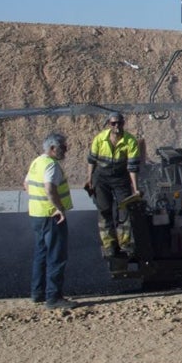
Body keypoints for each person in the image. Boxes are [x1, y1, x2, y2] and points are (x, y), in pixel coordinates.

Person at [26, 132, 76, 309]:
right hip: (51, 216)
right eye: (63, 147)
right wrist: (59, 209)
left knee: (41, 254)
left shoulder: (37, 162)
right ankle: (54, 297)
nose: (66, 150)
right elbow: (49, 189)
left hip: (37, 215)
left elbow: (26, 185)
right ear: (53, 148)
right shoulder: (51, 165)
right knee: (56, 256)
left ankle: (37, 293)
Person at [87, 112, 141, 259]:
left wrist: (135, 188)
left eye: (119, 123)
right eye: (113, 123)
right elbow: (91, 161)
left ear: (123, 123)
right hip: (101, 178)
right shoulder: (100, 139)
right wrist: (90, 180)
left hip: (120, 178)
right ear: (108, 124)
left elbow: (132, 168)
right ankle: (109, 244)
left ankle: (125, 243)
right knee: (104, 210)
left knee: (124, 209)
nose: (117, 126)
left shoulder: (130, 141)